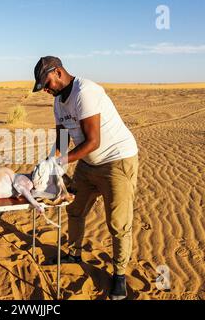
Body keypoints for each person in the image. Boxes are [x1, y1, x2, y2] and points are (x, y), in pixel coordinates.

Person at [32, 56, 139, 300]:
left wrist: (59, 162)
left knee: (118, 223)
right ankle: (74, 253)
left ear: (58, 72)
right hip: (88, 163)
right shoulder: (58, 101)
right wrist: (51, 163)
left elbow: (93, 141)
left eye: (46, 83)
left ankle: (119, 275)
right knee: (74, 209)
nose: (45, 89)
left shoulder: (85, 91)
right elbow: (61, 139)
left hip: (117, 161)